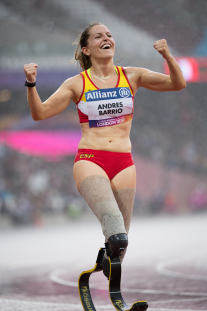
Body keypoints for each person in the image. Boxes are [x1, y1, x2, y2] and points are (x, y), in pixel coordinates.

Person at [24, 21, 186, 278]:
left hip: (124, 162)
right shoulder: (76, 83)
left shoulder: (132, 75)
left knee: (120, 245)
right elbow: (40, 113)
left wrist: (167, 55)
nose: (106, 38)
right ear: (86, 49)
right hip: (91, 159)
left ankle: (107, 262)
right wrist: (31, 84)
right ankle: (107, 259)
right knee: (116, 230)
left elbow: (178, 84)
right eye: (98, 36)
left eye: (109, 35)